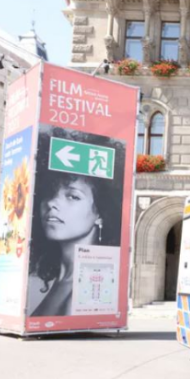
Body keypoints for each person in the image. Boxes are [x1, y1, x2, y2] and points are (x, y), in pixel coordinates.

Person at [28, 132, 123, 317]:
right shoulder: (54, 278)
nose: (51, 203)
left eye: (73, 196)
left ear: (100, 213)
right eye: (49, 193)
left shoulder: (89, 285)